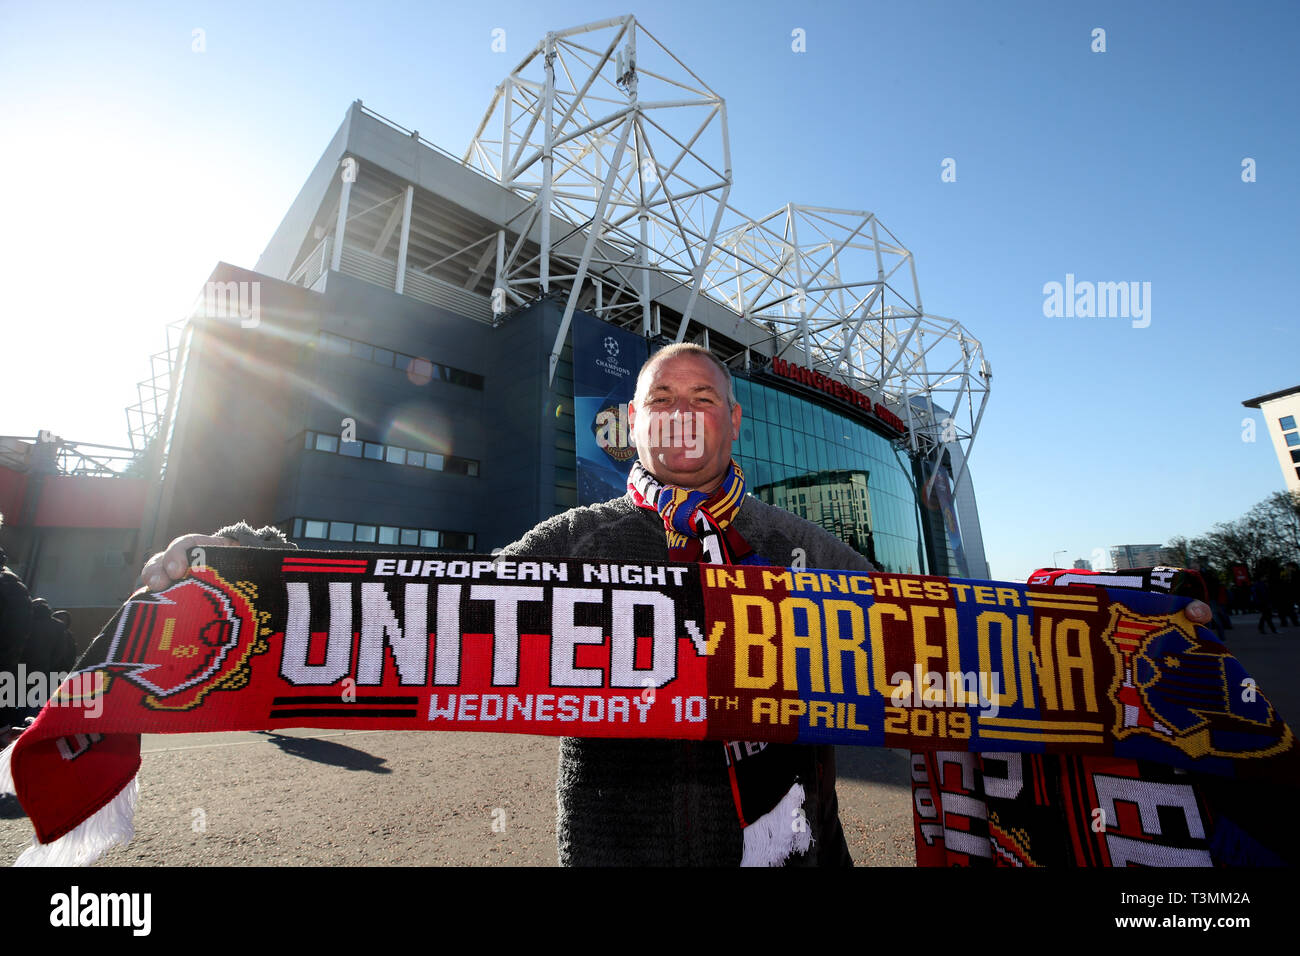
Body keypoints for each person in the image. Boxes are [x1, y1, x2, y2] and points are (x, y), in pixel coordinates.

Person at [140, 344, 868, 866]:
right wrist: (239, 561)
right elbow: (428, 606)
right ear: (632, 424)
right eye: (662, 400)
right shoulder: (577, 539)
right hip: (618, 852)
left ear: (734, 422)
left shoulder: (801, 546)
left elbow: (930, 638)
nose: (681, 415)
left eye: (703, 400)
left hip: (796, 852)